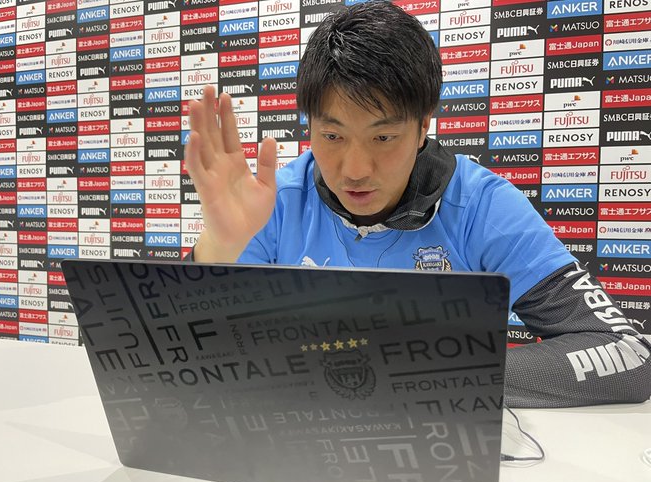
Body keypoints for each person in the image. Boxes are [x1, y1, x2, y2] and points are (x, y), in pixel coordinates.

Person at [183, 1, 651, 407]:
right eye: (332, 136)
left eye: (383, 137)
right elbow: (185, 350)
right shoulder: (273, 203)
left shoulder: (482, 205)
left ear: (424, 124)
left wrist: (429, 376)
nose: (355, 170)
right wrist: (217, 248)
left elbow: (627, 353)